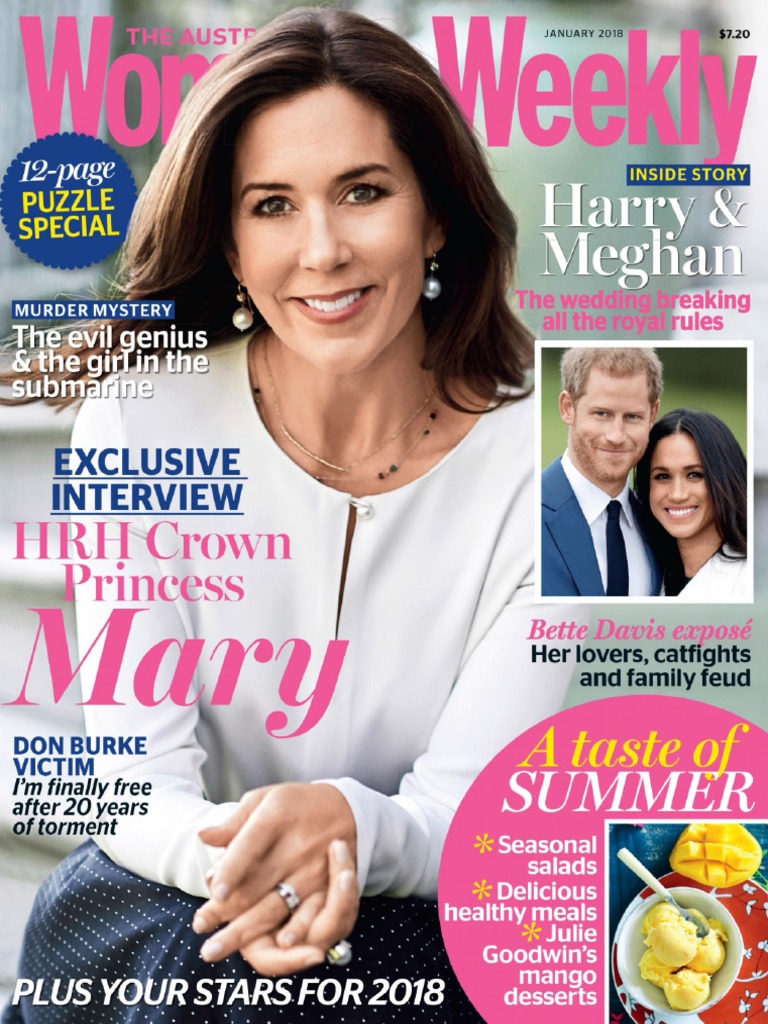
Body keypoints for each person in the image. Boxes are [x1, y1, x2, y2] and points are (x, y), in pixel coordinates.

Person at [4, 9, 576, 1023]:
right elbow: (134, 778)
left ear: (437, 213)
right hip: (184, 880)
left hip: (455, 897)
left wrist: (337, 826)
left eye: (363, 192)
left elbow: (472, 817)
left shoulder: (555, 463)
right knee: (181, 959)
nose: (321, 249)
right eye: (272, 205)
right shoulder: (140, 417)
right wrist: (250, 874)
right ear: (227, 239)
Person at [541, 347, 664, 598]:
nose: (616, 436)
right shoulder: (527, 512)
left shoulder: (661, 526)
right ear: (568, 408)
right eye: (601, 414)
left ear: (652, 415)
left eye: (632, 416)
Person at [634, 409, 749, 600]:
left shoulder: (748, 581)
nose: (677, 494)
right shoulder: (648, 577)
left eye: (694, 475)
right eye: (663, 476)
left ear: (725, 479)